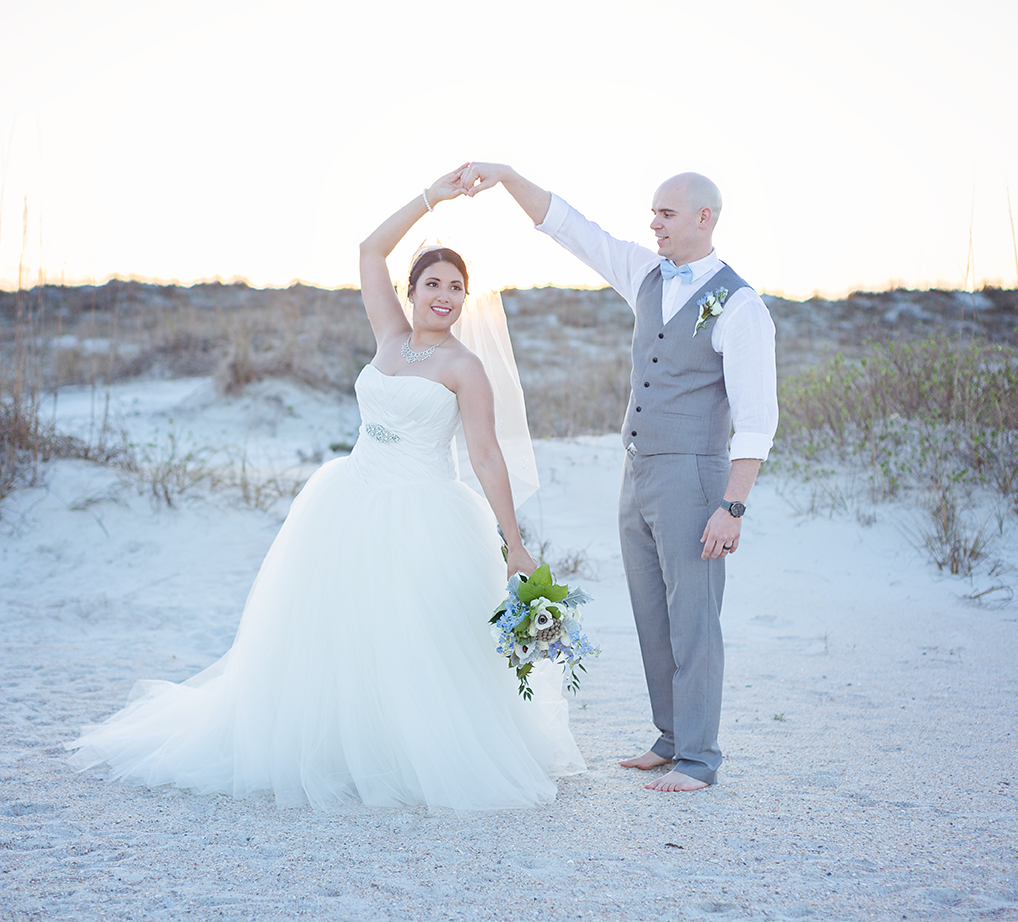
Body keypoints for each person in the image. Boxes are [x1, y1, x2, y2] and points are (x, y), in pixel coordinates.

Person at [66, 165, 585, 810]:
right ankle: (346, 748)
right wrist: (432, 197)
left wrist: (514, 544)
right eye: (432, 284)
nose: (444, 295)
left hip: (426, 512)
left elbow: (484, 454)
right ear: (412, 289)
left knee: (415, 640)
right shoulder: (390, 338)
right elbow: (369, 249)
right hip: (350, 499)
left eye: (456, 287)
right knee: (340, 634)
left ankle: (412, 754)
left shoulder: (464, 366)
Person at [461, 163, 778, 792]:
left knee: (694, 617)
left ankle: (699, 758)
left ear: (703, 218)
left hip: (694, 476)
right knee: (651, 615)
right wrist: (505, 177)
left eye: (665, 213)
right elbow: (572, 228)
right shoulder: (645, 274)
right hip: (637, 474)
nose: (653, 222)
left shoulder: (742, 307)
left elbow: (757, 419)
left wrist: (732, 507)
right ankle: (670, 737)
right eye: (653, 213)